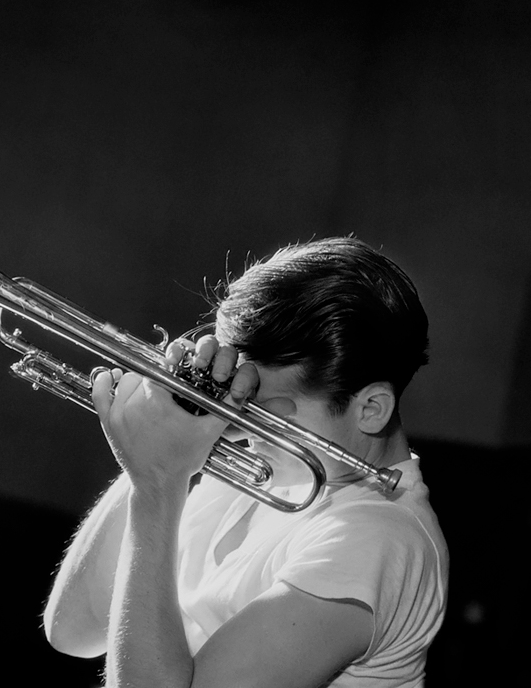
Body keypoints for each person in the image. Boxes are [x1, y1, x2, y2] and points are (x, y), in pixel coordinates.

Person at [43, 237, 449, 688]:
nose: (243, 420)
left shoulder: (379, 537)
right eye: (241, 395)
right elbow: (74, 631)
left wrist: (156, 482)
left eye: (266, 409)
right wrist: (155, 437)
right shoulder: (261, 471)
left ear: (371, 408)